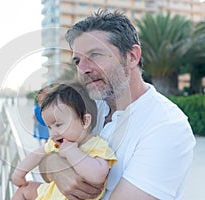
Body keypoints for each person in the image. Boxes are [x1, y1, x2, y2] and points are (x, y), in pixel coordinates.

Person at [39, 9, 196, 200]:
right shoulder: (88, 107)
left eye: (95, 55)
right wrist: (55, 165)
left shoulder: (167, 126)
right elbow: (44, 159)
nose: (83, 69)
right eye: (78, 61)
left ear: (132, 56)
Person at [11, 82, 117, 200]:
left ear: (85, 121)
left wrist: (72, 152)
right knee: (24, 190)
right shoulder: (57, 143)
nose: (53, 133)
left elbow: (98, 176)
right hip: (52, 194)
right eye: (49, 127)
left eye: (58, 125)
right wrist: (19, 173)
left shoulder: (97, 145)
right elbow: (37, 155)